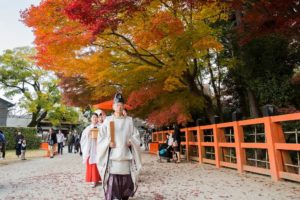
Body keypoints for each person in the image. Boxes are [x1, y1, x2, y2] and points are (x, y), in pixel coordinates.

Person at [97, 93, 142, 200]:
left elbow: (136, 135)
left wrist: (131, 141)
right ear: (113, 107)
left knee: (126, 187)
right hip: (113, 158)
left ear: (124, 106)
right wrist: (108, 142)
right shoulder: (108, 121)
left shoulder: (129, 121)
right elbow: (101, 137)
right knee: (113, 188)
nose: (119, 107)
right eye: (117, 105)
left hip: (126, 157)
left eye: (121, 104)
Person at [80, 113, 101, 188]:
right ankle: (93, 180)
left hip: (99, 148)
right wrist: (88, 135)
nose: (95, 119)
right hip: (91, 147)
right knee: (92, 163)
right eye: (93, 117)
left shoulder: (101, 127)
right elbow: (83, 139)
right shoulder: (87, 128)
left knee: (99, 163)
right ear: (91, 119)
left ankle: (99, 179)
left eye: (96, 117)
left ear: (98, 118)